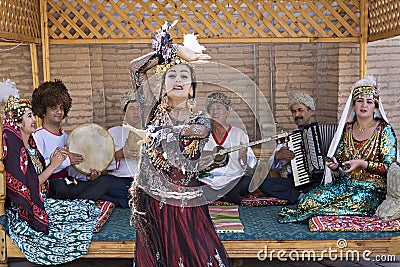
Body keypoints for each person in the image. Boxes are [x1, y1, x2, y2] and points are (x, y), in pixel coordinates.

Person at [128, 21, 231, 266]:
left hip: (184, 207)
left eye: (184, 76)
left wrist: (156, 133)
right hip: (152, 204)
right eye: (171, 75)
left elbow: (192, 132)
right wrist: (173, 50)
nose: (177, 79)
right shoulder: (151, 112)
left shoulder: (201, 120)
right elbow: (135, 69)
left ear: (192, 89)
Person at [278, 76, 398, 223]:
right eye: (360, 101)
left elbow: (390, 168)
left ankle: (317, 215)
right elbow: (340, 160)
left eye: (369, 102)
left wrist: (362, 164)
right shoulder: (347, 129)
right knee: (308, 201)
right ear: (354, 105)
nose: (364, 105)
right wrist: (335, 166)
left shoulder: (384, 130)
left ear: (375, 106)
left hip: (372, 190)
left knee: (352, 204)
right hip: (346, 185)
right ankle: (315, 213)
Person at [2, 96, 101, 265]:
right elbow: (26, 187)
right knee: (80, 216)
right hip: (27, 209)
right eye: (29, 116)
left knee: (86, 210)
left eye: (33, 115)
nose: (34, 120)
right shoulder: (13, 151)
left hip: (42, 200)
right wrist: (54, 165)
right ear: (18, 123)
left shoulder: (31, 147)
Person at [31, 80, 111, 201]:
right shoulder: (37, 136)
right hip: (51, 185)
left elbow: (71, 171)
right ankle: (78, 205)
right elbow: (38, 168)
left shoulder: (66, 137)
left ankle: (75, 205)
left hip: (69, 182)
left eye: (61, 107)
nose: (59, 112)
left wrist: (87, 177)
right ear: (42, 111)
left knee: (104, 182)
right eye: (53, 108)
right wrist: (67, 160)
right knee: (59, 186)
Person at [257, 93, 318, 204]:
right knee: (263, 184)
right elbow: (274, 167)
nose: (297, 115)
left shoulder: (320, 133)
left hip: (317, 180)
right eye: (293, 111)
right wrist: (277, 157)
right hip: (294, 181)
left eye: (300, 110)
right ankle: (301, 197)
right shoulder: (290, 137)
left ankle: (303, 196)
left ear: (310, 111)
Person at [199, 92, 257, 204]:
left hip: (233, 178)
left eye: (218, 108)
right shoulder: (203, 135)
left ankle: (219, 195)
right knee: (196, 183)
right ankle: (226, 195)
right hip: (209, 179)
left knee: (248, 181)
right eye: (211, 108)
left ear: (227, 112)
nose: (215, 112)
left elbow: (251, 164)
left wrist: (244, 155)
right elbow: (194, 159)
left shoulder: (239, 134)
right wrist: (199, 164)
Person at [102, 90, 141, 208]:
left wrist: (142, 156)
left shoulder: (148, 133)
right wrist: (121, 154)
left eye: (138, 108)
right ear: (124, 112)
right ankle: (131, 201)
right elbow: (102, 164)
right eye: (131, 108)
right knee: (104, 184)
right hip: (119, 182)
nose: (136, 112)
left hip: (141, 182)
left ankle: (122, 201)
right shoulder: (113, 132)